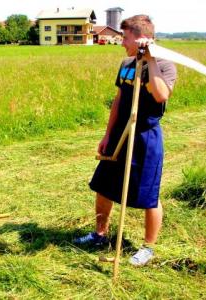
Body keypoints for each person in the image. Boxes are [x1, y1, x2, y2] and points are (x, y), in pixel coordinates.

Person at [74, 15, 177, 266]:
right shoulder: (126, 63)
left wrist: (150, 59)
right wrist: (108, 134)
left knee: (149, 193)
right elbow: (119, 100)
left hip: (145, 136)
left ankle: (148, 247)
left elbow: (161, 94)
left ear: (143, 38)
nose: (122, 43)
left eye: (126, 37)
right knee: (104, 184)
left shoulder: (164, 64)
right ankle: (100, 234)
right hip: (120, 133)